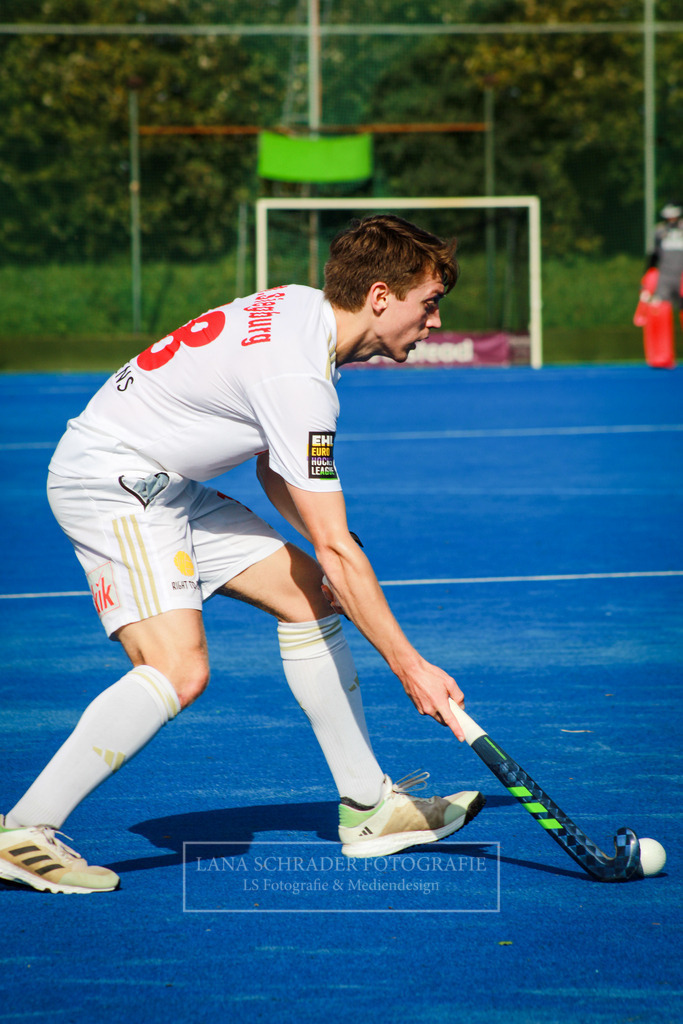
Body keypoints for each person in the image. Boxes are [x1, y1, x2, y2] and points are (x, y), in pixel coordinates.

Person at [0, 215, 484, 894]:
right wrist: (412, 667)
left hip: (166, 485)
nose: (434, 322)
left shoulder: (297, 310)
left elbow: (270, 472)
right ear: (380, 295)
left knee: (309, 590)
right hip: (115, 483)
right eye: (428, 303)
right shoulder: (301, 379)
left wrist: (328, 550)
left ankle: (369, 808)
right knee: (178, 667)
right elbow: (337, 543)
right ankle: (23, 830)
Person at [647, 203, 683, 309]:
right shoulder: (660, 231)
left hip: (681, 275)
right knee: (662, 305)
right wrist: (649, 271)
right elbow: (654, 254)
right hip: (665, 275)